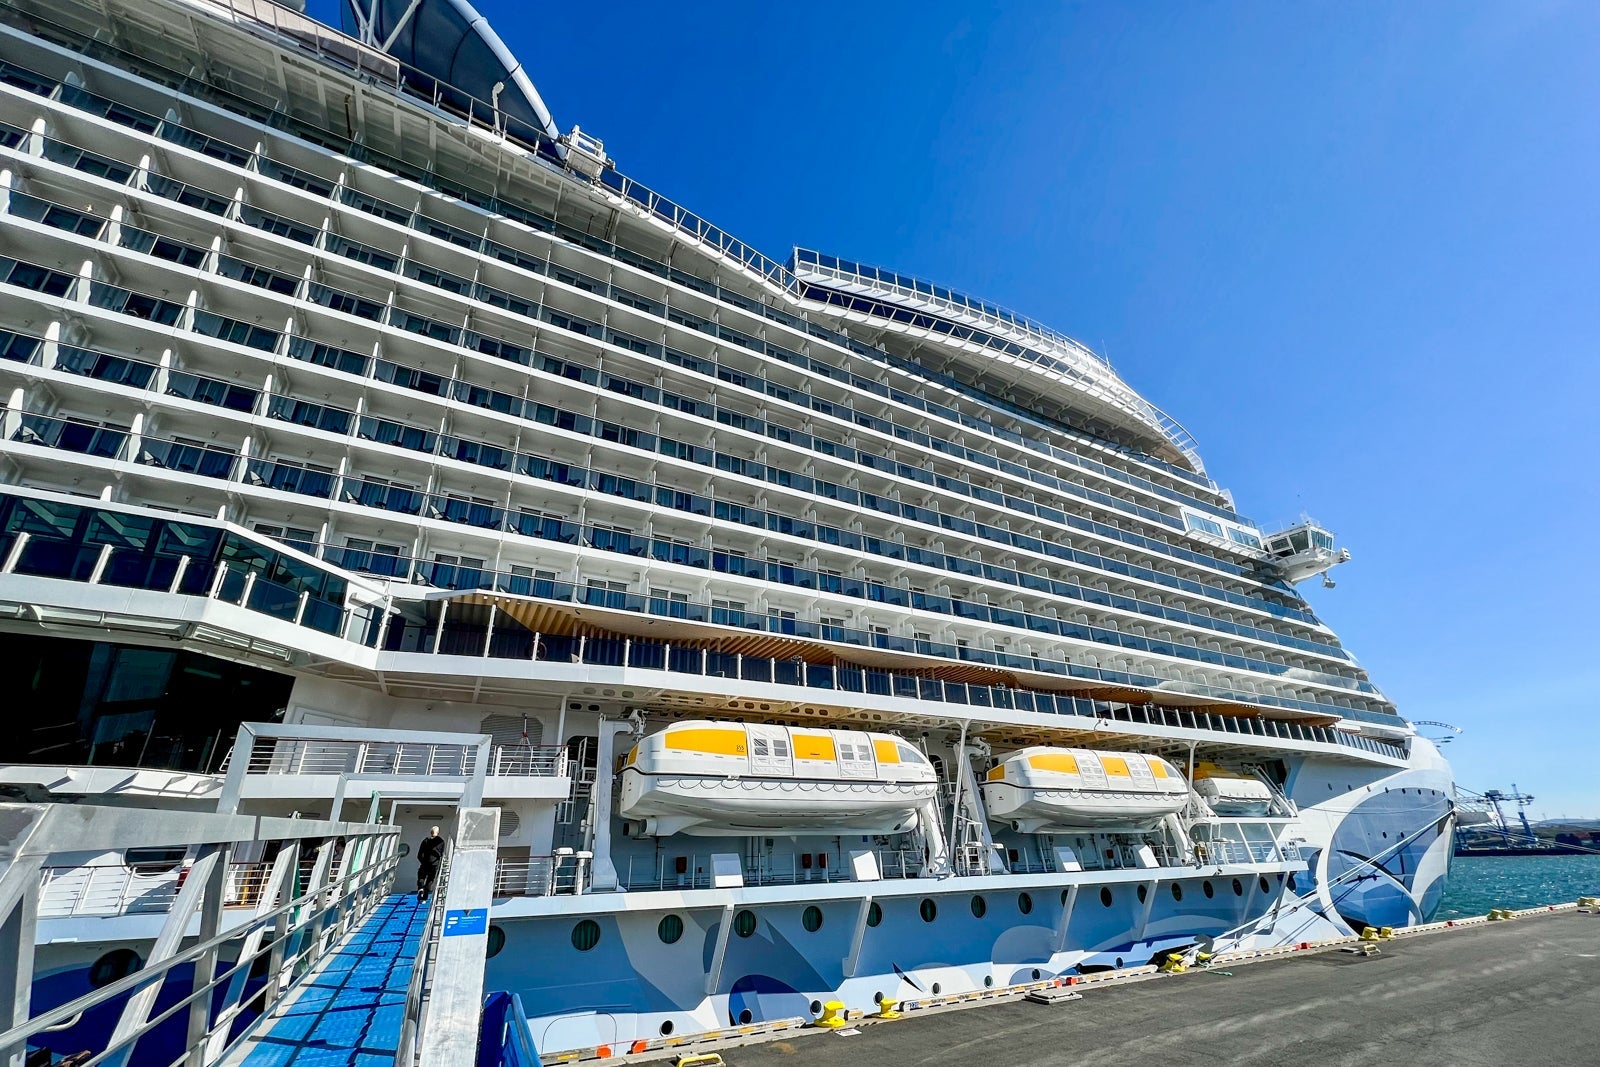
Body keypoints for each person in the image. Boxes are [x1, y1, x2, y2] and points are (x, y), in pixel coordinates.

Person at [416, 825, 446, 903]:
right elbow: (442, 854)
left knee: (421, 876)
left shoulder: (425, 841)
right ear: (438, 832)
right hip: (435, 864)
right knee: (430, 880)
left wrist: (423, 861)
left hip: (425, 863)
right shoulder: (441, 842)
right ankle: (424, 898)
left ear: (431, 832)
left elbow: (419, 854)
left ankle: (421, 888)